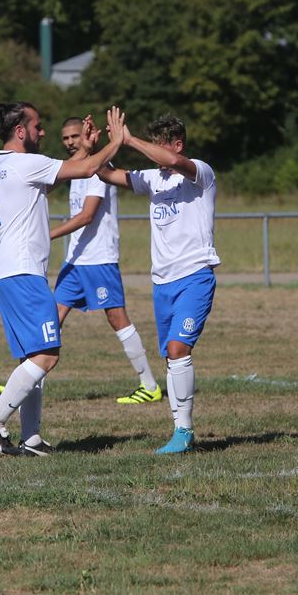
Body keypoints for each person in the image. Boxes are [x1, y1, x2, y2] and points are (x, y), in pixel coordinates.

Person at [0, 102, 124, 457]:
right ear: (22, 131)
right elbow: (87, 169)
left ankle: (31, 439)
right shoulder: (26, 163)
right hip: (22, 272)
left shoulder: (0, 166)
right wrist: (116, 140)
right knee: (46, 355)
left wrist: (87, 147)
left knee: (34, 355)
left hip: (8, 272)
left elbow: (61, 176)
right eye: (38, 127)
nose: (44, 133)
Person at [96, 111, 220, 454]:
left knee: (180, 349)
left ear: (176, 144)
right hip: (161, 282)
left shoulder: (200, 173)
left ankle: (184, 432)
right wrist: (103, 147)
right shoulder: (153, 178)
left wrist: (131, 140)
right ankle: (180, 430)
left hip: (195, 275)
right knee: (171, 356)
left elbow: (174, 160)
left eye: (158, 145)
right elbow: (106, 174)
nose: (154, 153)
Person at [49, 115, 161, 404]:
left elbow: (86, 216)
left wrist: (46, 235)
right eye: (66, 138)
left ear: (89, 135)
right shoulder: (77, 170)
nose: (71, 142)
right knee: (50, 318)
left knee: (117, 319)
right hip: (75, 261)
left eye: (76, 136)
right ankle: (26, 380)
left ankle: (149, 385)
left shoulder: (99, 171)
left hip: (99, 260)